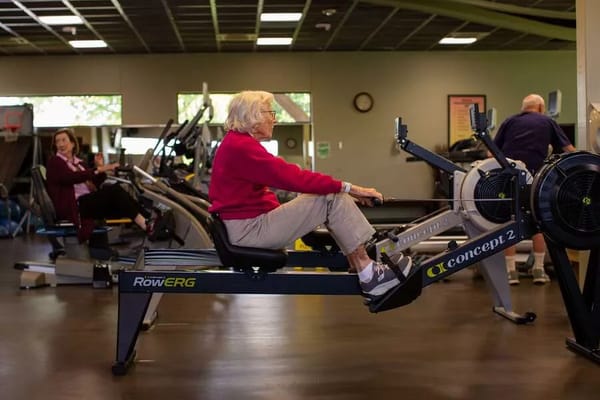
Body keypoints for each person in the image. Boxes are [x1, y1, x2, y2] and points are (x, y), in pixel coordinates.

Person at [208, 90, 413, 298]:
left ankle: (359, 263)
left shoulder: (238, 144)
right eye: (270, 113)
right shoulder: (241, 147)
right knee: (331, 196)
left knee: (331, 195)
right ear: (253, 116)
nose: (274, 119)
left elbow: (286, 183)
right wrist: (353, 188)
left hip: (247, 227)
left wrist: (337, 195)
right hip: (249, 231)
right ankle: (370, 276)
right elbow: (292, 177)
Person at [493, 94, 576, 285]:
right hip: (536, 179)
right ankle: (538, 270)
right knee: (538, 223)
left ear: (524, 108)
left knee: (511, 222)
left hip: (511, 178)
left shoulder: (509, 121)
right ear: (540, 107)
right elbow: (569, 149)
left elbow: (492, 152)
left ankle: (510, 272)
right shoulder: (547, 121)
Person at [46, 128, 150, 243]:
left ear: (72, 143)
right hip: (76, 205)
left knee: (119, 196)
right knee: (114, 191)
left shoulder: (79, 163)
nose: (60, 144)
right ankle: (146, 225)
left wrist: (99, 167)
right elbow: (71, 177)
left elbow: (94, 184)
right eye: (57, 141)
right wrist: (100, 169)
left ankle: (149, 220)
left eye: (64, 140)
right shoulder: (55, 162)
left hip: (87, 202)